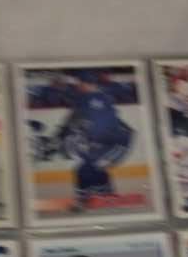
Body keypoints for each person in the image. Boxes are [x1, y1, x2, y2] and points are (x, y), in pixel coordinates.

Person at [56, 71, 134, 212]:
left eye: (80, 84)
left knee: (87, 169)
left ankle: (88, 199)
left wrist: (65, 133)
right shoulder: (101, 98)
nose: (78, 86)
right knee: (93, 167)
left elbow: (81, 121)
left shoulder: (89, 99)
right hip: (110, 142)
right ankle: (106, 195)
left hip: (112, 143)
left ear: (86, 84)